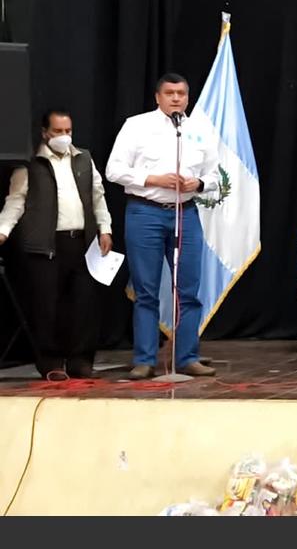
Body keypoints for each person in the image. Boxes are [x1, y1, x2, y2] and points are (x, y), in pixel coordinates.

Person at [105, 73, 219, 380]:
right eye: (169, 93)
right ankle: (145, 359)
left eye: (181, 93)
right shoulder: (136, 125)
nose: (176, 98)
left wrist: (200, 182)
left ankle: (187, 357)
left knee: (189, 290)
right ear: (158, 97)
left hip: (186, 212)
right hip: (146, 212)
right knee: (146, 290)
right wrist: (152, 179)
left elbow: (217, 177)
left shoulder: (200, 129)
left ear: (188, 96)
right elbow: (113, 169)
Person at [0, 109, 113, 379]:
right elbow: (15, 202)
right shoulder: (30, 165)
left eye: (68, 131)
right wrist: (2, 231)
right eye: (58, 132)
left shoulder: (83, 158)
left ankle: (80, 361)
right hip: (45, 246)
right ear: (45, 133)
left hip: (81, 242)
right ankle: (51, 363)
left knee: (82, 305)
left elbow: (98, 196)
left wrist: (105, 229)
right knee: (46, 306)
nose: (64, 137)